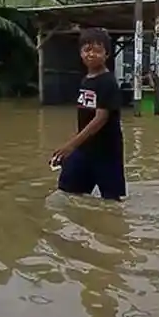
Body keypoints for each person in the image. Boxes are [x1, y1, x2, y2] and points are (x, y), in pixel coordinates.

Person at [51, 27, 126, 201]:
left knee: (111, 202)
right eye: (87, 50)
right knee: (68, 194)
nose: (91, 54)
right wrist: (74, 146)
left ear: (106, 54)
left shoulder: (108, 83)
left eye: (97, 51)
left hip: (106, 152)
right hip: (84, 149)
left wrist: (70, 145)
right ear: (81, 54)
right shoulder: (86, 80)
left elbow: (100, 118)